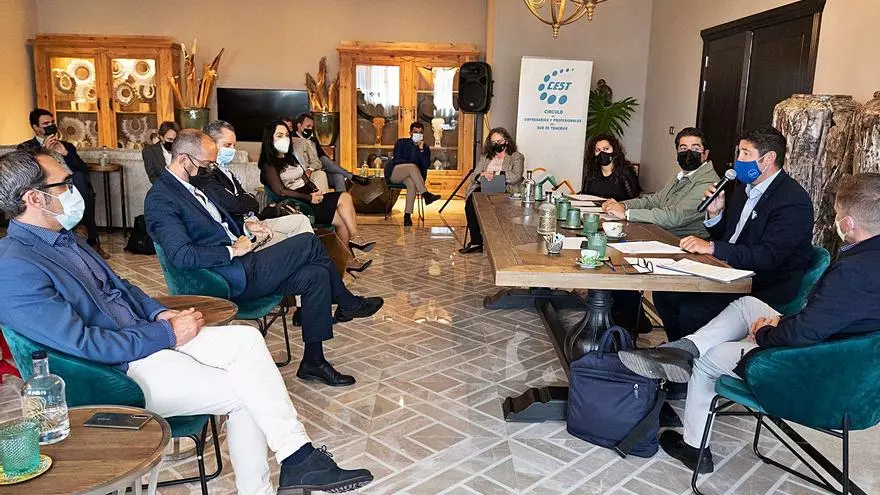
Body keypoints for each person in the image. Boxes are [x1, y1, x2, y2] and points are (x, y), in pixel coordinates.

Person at [0, 150, 375, 495]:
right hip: (118, 369)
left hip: (143, 335)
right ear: (35, 198)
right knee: (247, 393)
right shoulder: (15, 267)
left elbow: (122, 287)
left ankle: (298, 458)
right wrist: (165, 333)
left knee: (246, 339)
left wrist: (159, 313)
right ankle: (281, 475)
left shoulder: (64, 238)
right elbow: (86, 344)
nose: (74, 190)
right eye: (65, 183)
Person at [616, 172, 880, 474]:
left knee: (711, 358)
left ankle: (694, 449)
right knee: (746, 306)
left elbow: (807, 331)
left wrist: (766, 332)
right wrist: (781, 321)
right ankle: (683, 349)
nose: (835, 221)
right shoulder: (865, 263)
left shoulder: (851, 272)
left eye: (836, 214)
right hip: (843, 351)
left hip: (816, 365)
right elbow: (834, 316)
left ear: (848, 223)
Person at [145, 129, 384, 386]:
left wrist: (247, 228)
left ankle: (314, 362)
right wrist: (233, 250)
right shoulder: (162, 198)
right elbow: (182, 255)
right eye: (206, 164)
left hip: (241, 264)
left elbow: (217, 226)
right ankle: (348, 303)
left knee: (315, 275)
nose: (210, 169)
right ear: (183, 159)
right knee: (307, 242)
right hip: (223, 278)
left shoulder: (191, 184)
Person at [653, 126, 815, 343]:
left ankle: (693, 356)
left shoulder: (791, 200)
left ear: (768, 158)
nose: (739, 160)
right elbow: (730, 236)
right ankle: (678, 350)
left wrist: (712, 247)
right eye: (739, 152)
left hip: (764, 282)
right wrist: (715, 214)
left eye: (746, 153)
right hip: (729, 270)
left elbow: (768, 256)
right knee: (665, 293)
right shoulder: (743, 189)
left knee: (694, 310)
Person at [259, 120, 375, 272]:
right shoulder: (268, 165)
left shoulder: (290, 158)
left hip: (310, 197)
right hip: (299, 204)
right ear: (270, 139)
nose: (285, 139)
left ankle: (352, 249)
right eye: (279, 135)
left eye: (287, 135)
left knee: (344, 207)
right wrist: (310, 198)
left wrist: (316, 190)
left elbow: (306, 179)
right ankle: (353, 247)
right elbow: (281, 191)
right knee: (342, 207)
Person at [194, 120, 313, 250]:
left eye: (234, 145)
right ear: (210, 145)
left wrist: (244, 200)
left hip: (253, 219)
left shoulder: (225, 170)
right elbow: (233, 204)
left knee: (301, 221)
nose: (232, 150)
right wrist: (244, 201)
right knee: (297, 239)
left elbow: (253, 202)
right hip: (242, 230)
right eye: (227, 145)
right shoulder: (206, 174)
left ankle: (313, 257)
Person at [19, 108, 107, 259]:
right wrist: (44, 152)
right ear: (35, 127)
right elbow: (30, 174)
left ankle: (90, 238)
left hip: (73, 184)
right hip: (47, 187)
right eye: (46, 124)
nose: (51, 126)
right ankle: (83, 229)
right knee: (83, 190)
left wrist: (65, 153)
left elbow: (83, 169)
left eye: (52, 122)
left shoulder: (67, 146)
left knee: (79, 177)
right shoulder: (27, 148)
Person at [603, 127, 718, 238]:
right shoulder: (680, 176)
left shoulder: (709, 182)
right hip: (659, 233)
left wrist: (626, 213)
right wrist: (622, 205)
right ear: (677, 152)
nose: (689, 153)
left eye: (695, 149)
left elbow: (675, 216)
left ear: (705, 154)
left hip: (682, 243)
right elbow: (653, 201)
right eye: (683, 148)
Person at [460, 127, 525, 254]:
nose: (497, 144)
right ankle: (476, 242)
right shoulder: (486, 156)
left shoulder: (516, 156)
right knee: (471, 204)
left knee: (499, 207)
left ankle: (501, 241)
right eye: (494, 142)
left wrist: (495, 174)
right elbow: (474, 176)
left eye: (500, 141)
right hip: (485, 187)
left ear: (506, 141)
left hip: (506, 188)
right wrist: (483, 175)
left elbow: (516, 176)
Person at [293, 113, 371, 191]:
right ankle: (351, 177)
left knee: (338, 175)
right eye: (308, 126)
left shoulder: (313, 140)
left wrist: (314, 167)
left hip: (317, 168)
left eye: (312, 127)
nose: (310, 129)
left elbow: (321, 156)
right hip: (305, 172)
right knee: (323, 160)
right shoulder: (292, 140)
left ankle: (342, 197)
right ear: (299, 126)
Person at [387, 122, 441, 226]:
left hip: (412, 176)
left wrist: (421, 150)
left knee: (412, 184)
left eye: (420, 133)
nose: (418, 134)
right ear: (410, 133)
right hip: (397, 173)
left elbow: (425, 165)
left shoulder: (424, 148)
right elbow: (397, 159)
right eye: (415, 132)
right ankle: (425, 194)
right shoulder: (401, 142)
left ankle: (407, 216)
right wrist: (412, 162)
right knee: (412, 166)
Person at [580, 133, 640, 201]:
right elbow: (584, 197)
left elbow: (634, 201)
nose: (602, 153)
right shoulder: (591, 174)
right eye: (598, 150)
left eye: (606, 149)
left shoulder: (626, 173)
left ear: (614, 150)